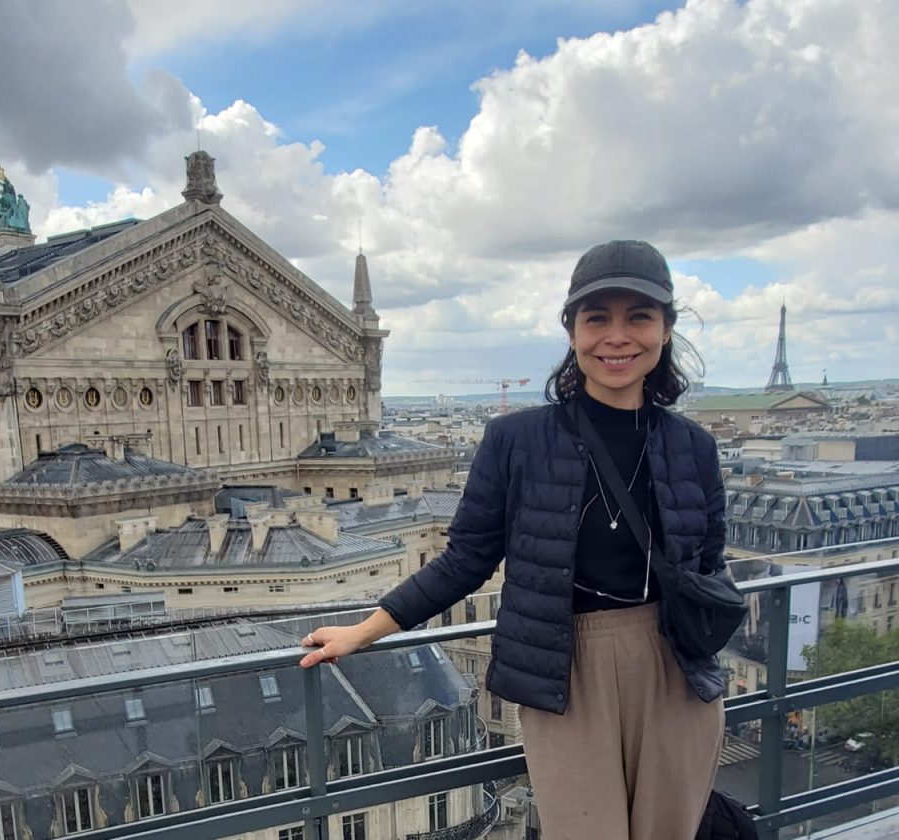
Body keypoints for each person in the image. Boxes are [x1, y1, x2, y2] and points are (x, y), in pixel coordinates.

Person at [300, 240, 726, 840]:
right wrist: (364, 631)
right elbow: (467, 558)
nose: (617, 336)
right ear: (572, 331)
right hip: (561, 669)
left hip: (675, 668)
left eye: (639, 317)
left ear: (665, 329)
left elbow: (708, 565)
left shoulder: (693, 446)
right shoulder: (515, 440)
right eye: (597, 318)